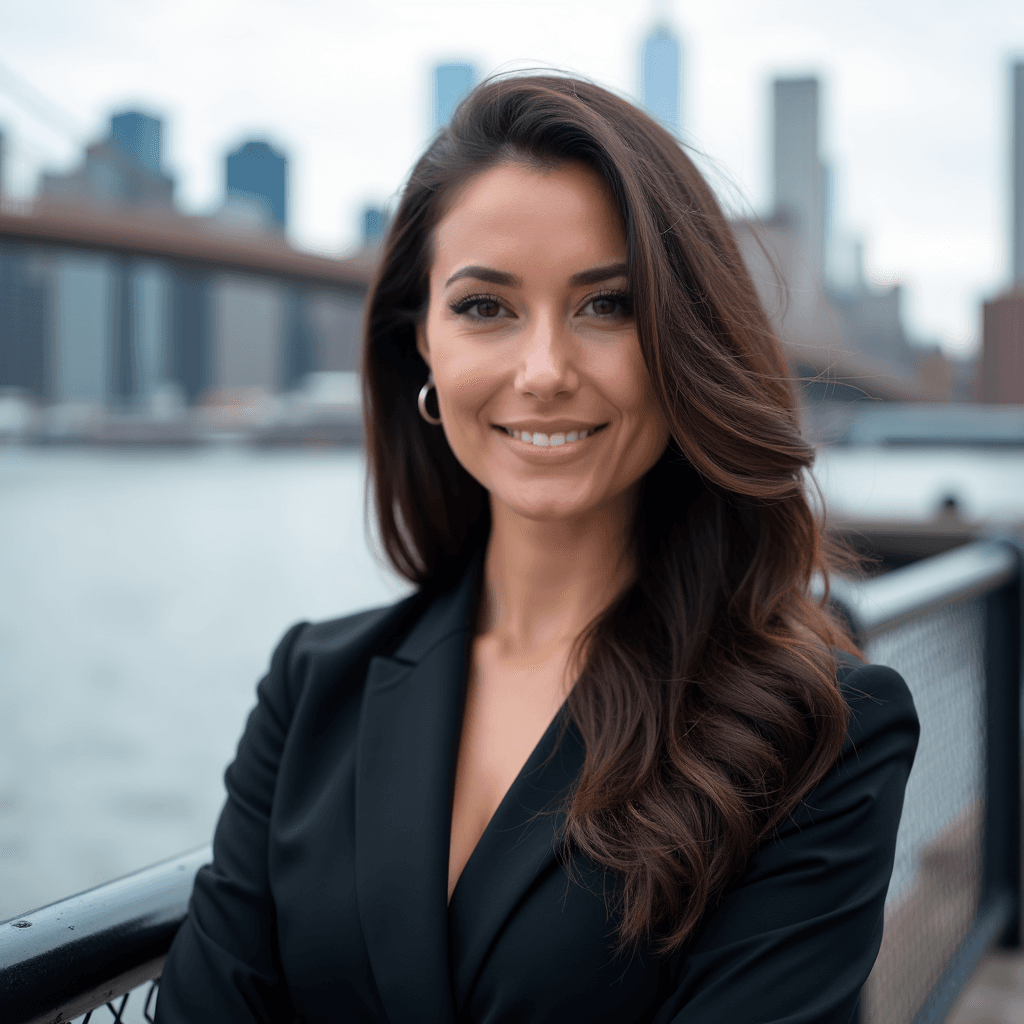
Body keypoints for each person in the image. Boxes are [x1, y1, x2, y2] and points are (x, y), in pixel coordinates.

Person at [156, 74, 919, 1024]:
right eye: (485, 307)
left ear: (682, 343)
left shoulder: (816, 729)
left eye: (607, 306)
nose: (546, 370)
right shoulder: (313, 690)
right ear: (420, 344)